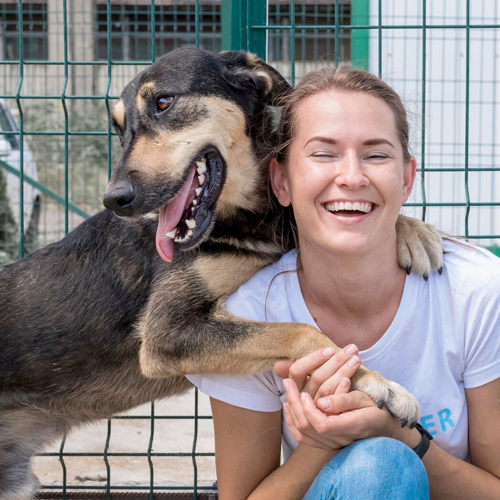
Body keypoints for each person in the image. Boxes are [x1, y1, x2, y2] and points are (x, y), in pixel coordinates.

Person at [187, 65, 500, 499]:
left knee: (384, 464)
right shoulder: (253, 315)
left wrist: (401, 434)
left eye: (376, 154)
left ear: (407, 178)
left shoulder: (478, 292)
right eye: (323, 153)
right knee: (376, 469)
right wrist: (320, 442)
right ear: (281, 181)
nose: (352, 176)